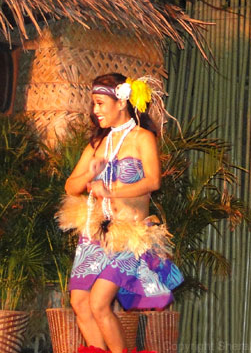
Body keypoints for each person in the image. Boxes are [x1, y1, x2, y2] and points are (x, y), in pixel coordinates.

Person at [58, 73, 183, 353]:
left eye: (101, 103)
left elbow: (153, 181)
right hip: (95, 234)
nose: (95, 110)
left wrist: (111, 190)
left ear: (121, 103)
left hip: (129, 236)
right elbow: (70, 185)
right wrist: (89, 174)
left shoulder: (142, 138)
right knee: (80, 302)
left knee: (100, 302)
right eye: (94, 104)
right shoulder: (97, 144)